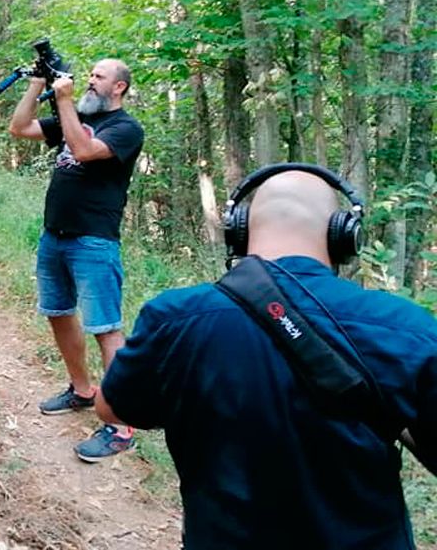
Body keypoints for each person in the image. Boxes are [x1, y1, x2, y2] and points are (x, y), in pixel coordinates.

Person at [96, 167, 437, 548]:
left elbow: (112, 410)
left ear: (238, 233)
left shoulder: (173, 318)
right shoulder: (405, 329)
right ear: (344, 235)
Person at [8, 58, 144, 461]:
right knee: (58, 312)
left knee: (106, 328)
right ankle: (83, 390)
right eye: (90, 74)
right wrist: (37, 86)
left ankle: (121, 426)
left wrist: (65, 100)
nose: (90, 80)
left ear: (118, 88)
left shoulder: (125, 129)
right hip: (55, 237)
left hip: (94, 242)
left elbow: (83, 151)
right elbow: (19, 128)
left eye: (99, 77)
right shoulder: (76, 115)